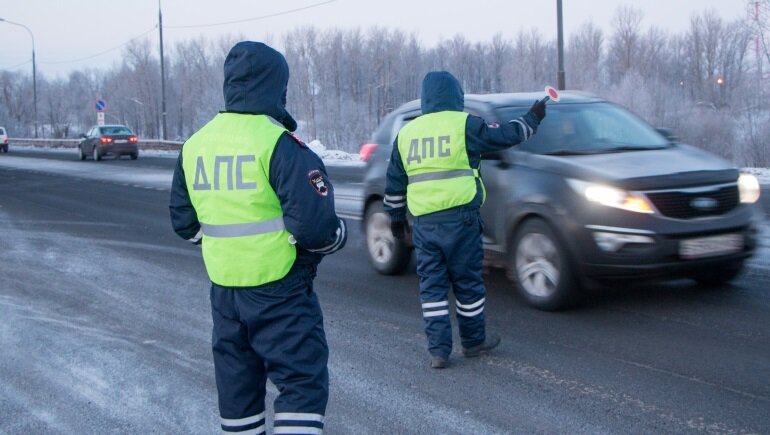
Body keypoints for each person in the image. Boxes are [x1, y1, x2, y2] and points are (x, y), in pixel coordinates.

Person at [169, 41, 346, 434]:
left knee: (237, 391)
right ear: (277, 86)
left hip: (224, 293)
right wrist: (338, 236)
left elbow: (184, 222)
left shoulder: (196, 144)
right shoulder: (279, 143)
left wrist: (228, 248)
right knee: (301, 384)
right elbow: (315, 229)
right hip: (279, 289)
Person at [384, 71, 546, 369]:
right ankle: (473, 342)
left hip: (424, 224)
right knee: (467, 283)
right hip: (461, 221)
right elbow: (505, 136)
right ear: (456, 96)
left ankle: (438, 351)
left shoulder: (407, 133)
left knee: (432, 288)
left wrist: (395, 218)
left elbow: (394, 182)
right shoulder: (463, 124)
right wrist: (532, 117)